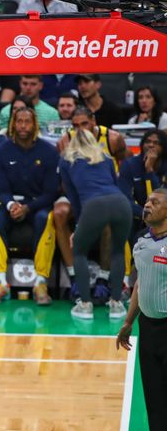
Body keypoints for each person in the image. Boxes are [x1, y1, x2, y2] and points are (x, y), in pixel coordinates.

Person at [116, 188, 167, 431]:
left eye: (155, 203)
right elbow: (139, 284)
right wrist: (127, 322)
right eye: (147, 202)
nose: (147, 205)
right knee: (156, 401)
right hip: (149, 330)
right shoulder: (142, 242)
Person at [0, 108, 60, 306]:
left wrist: (27, 208)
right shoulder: (1, 151)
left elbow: (50, 192)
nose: (23, 126)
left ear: (35, 125)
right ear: (12, 124)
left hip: (37, 203)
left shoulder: (49, 152)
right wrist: (11, 205)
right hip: (11, 202)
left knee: (46, 218)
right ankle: (0, 281)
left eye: (27, 122)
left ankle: (40, 282)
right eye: (19, 121)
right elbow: (0, 188)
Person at [60, 129, 131, 319]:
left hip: (93, 205)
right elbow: (114, 183)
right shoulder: (106, 158)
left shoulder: (67, 160)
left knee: (79, 252)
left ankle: (85, 304)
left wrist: (78, 226)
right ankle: (116, 304)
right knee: (117, 251)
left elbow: (74, 198)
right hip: (120, 202)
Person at [118, 129, 167, 240]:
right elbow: (124, 198)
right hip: (137, 215)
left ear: (163, 147)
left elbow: (162, 197)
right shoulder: (129, 165)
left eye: (156, 143)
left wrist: (149, 170)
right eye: (148, 141)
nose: (151, 145)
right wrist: (145, 215)